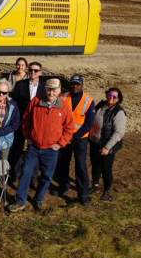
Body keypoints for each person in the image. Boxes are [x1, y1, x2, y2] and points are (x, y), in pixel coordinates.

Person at [9, 79, 74, 212]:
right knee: (26, 173)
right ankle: (20, 201)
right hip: (34, 147)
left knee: (46, 176)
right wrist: (28, 136)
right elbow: (26, 119)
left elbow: (69, 128)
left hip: (51, 149)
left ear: (59, 91)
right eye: (49, 89)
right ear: (45, 89)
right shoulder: (36, 101)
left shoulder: (64, 106)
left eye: (54, 89)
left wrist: (60, 144)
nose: (51, 92)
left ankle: (39, 199)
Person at [51, 74, 96, 206]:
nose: (75, 86)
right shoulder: (63, 97)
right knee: (62, 163)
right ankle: (63, 187)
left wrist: (74, 137)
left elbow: (89, 123)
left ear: (82, 85)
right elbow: (56, 117)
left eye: (77, 84)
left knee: (80, 165)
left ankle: (83, 193)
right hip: (64, 137)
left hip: (80, 139)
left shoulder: (88, 101)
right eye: (73, 84)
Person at [9, 61, 46, 182]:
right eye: (30, 70)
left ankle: (33, 177)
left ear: (40, 72)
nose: (33, 73)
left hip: (37, 123)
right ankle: (15, 173)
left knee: (34, 149)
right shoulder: (20, 85)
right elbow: (14, 103)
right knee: (17, 148)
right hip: (21, 122)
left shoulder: (44, 87)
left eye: (35, 70)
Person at [89, 87, 126, 202]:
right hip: (95, 142)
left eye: (114, 96)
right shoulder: (100, 105)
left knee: (106, 169)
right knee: (95, 166)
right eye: (110, 95)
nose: (111, 98)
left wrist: (107, 147)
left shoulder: (119, 112)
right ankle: (95, 186)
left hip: (107, 145)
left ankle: (106, 191)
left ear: (118, 99)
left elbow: (119, 133)